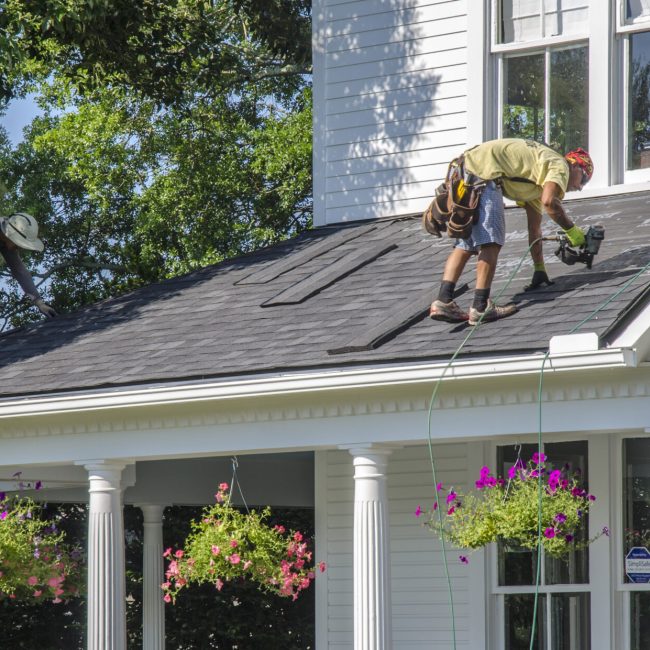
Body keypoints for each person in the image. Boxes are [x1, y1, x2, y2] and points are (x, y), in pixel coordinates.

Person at [428, 138, 593, 325]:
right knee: (491, 241)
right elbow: (549, 202)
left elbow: (534, 228)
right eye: (584, 178)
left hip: (467, 171)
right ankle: (480, 307)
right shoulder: (560, 164)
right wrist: (572, 231)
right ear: (576, 166)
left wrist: (539, 268)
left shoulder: (537, 179)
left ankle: (443, 301)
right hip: (485, 176)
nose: (580, 187)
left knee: (466, 244)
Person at [0, 212, 57, 318]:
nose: (19, 248)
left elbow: (19, 271)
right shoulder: (6, 236)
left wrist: (39, 303)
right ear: (10, 235)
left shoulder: (5, 239)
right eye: (18, 244)